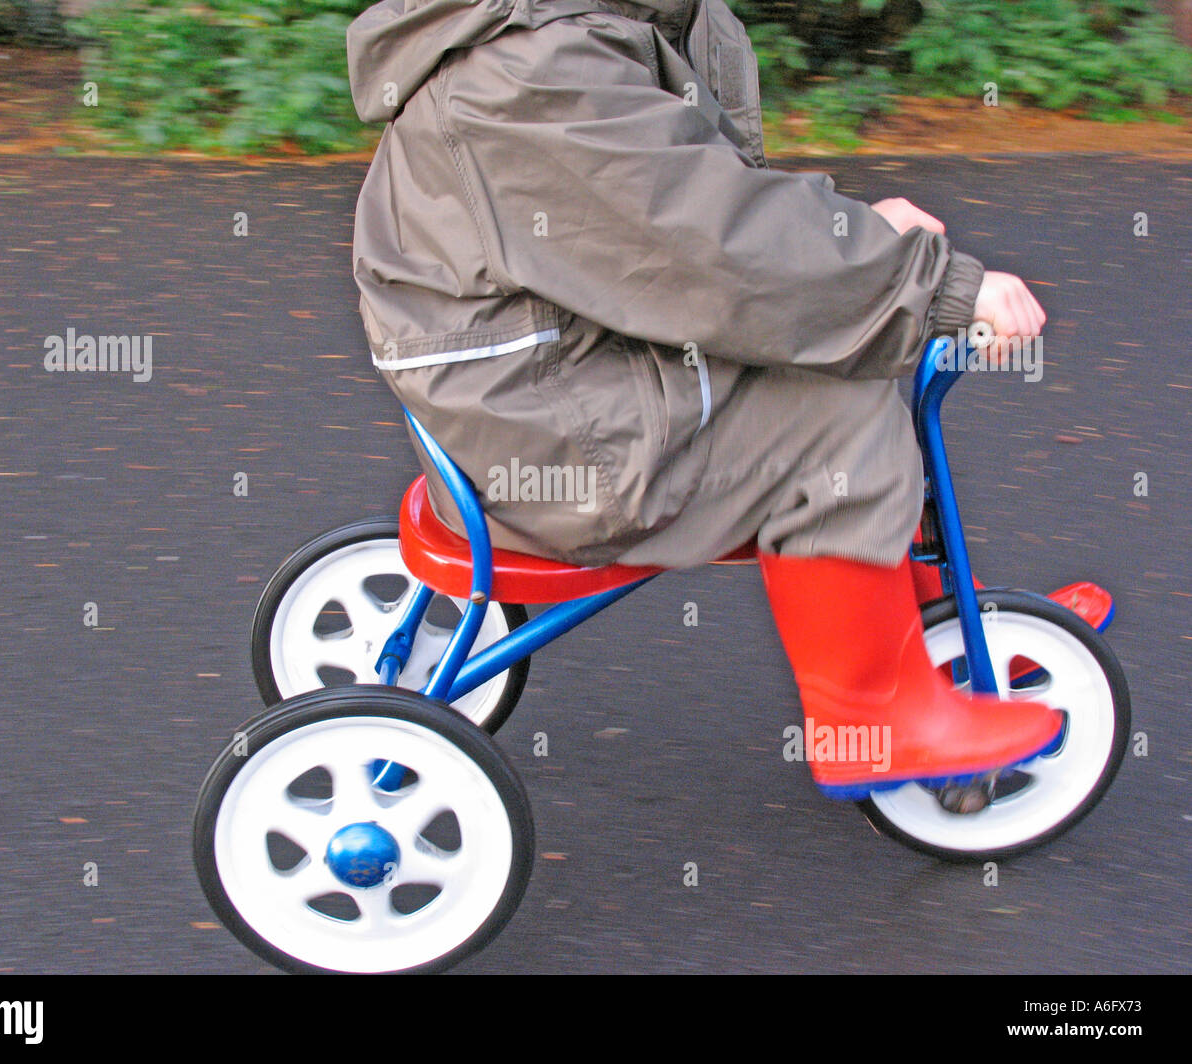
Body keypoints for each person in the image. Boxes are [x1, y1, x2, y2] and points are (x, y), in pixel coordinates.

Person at [345, 0, 1104, 795]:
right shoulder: (534, 71)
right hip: (551, 432)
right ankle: (872, 716)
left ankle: (929, 639)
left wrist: (861, 237)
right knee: (836, 412)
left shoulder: (596, 26)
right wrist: (937, 286)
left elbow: (693, 205)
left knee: (846, 343)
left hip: (544, 369)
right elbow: (713, 249)